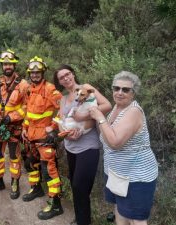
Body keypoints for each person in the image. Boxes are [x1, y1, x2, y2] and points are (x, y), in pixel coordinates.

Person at [88, 71, 158, 225]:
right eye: (116, 88)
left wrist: (99, 117)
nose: (119, 92)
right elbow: (106, 134)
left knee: (136, 219)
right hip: (117, 173)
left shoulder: (133, 111)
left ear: (133, 93)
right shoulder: (117, 107)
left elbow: (115, 142)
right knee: (120, 210)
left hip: (136, 177)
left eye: (125, 90)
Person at [53, 65, 112, 225]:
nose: (66, 78)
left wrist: (84, 115)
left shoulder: (86, 88)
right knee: (76, 186)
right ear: (59, 82)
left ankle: (83, 221)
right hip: (70, 147)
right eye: (61, 77)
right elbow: (60, 120)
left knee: (80, 186)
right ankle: (81, 218)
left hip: (88, 147)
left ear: (73, 74)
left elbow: (107, 105)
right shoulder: (63, 99)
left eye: (67, 74)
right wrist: (64, 131)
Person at [21, 56, 64, 220]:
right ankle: (36, 188)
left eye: (38, 72)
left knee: (49, 171)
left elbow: (64, 109)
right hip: (30, 135)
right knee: (30, 164)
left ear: (43, 73)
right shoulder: (30, 89)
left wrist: (53, 128)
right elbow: (29, 113)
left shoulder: (50, 89)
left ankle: (56, 205)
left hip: (44, 138)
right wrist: (25, 127)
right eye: (32, 73)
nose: (35, 75)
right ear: (29, 74)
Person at [0, 49, 29, 200]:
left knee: (15, 158)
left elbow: (27, 106)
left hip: (14, 127)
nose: (7, 66)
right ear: (2, 66)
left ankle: (15, 182)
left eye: (10, 64)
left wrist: (12, 117)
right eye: (5, 64)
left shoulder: (23, 85)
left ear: (14, 65)